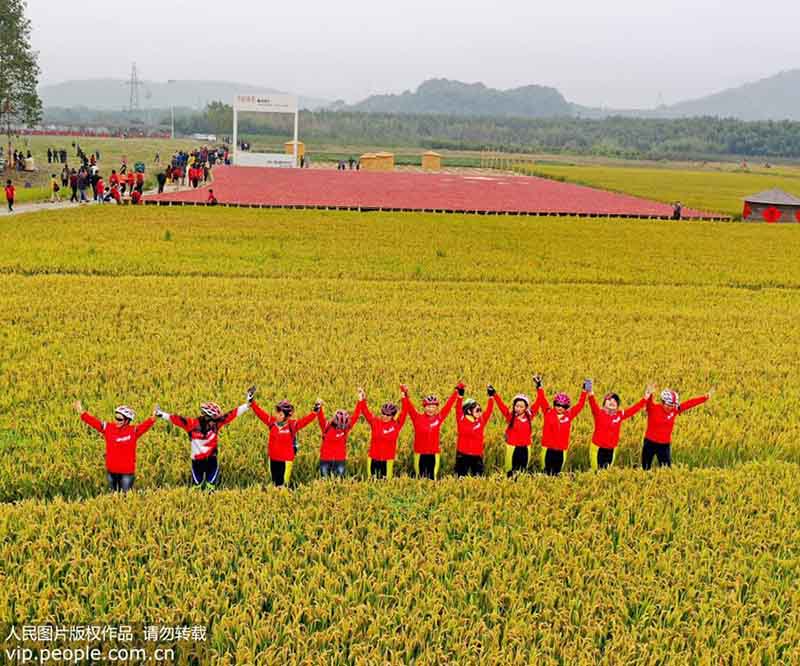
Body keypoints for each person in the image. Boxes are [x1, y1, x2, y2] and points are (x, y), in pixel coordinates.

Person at [155, 386, 255, 488]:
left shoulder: (214, 423)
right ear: (208, 416)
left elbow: (231, 415)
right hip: (197, 463)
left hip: (211, 461)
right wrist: (161, 414)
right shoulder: (193, 424)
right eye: (214, 418)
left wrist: (247, 405)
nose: (217, 420)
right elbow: (176, 419)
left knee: (210, 487)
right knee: (197, 487)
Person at [74, 400, 156, 492]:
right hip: (111, 471)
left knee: (125, 498)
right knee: (113, 496)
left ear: (127, 420)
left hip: (127, 473)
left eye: (120, 419)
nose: (116, 421)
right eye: (116, 418)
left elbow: (146, 425)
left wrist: (153, 417)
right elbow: (94, 422)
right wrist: (81, 411)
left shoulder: (133, 431)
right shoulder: (108, 428)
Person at [250, 397, 317, 486]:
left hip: (285, 460)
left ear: (286, 416)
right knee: (274, 482)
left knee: (283, 484)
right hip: (273, 459)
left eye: (280, 414)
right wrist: (252, 402)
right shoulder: (272, 422)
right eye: (277, 413)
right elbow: (261, 414)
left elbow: (305, 421)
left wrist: (315, 412)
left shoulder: (292, 425)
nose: (277, 416)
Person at [641, 387, 713, 470]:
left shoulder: (674, 410)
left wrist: (704, 398)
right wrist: (649, 393)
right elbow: (648, 400)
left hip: (664, 446)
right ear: (663, 402)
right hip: (650, 443)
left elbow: (689, 404)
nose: (670, 407)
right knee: (645, 468)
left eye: (672, 405)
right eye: (668, 405)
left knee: (666, 470)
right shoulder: (653, 408)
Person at [401, 383, 460, 479]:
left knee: (433, 478)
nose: (431, 409)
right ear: (424, 407)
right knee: (419, 477)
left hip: (434, 453)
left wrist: (456, 392)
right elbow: (409, 407)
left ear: (436, 408)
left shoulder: (439, 418)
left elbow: (448, 406)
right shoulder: (417, 418)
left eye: (433, 407)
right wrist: (405, 394)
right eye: (428, 406)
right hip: (419, 453)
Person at [534, 375, 588, 475]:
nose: (560, 408)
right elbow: (542, 399)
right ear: (554, 405)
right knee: (546, 471)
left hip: (561, 449)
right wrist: (539, 386)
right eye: (557, 405)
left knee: (557, 472)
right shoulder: (548, 412)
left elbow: (580, 405)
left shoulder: (569, 415)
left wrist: (585, 390)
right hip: (548, 448)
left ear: (567, 407)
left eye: (563, 406)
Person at [588, 385, 649, 470]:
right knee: (596, 471)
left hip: (612, 449)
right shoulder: (599, 413)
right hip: (598, 449)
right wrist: (589, 389)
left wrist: (645, 398)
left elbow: (633, 409)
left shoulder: (619, 415)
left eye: (615, 401)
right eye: (609, 400)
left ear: (617, 405)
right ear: (604, 403)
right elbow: (592, 401)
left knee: (607, 472)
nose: (612, 402)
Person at [354, 387, 407, 480]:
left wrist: (404, 396)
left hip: (388, 460)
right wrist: (362, 399)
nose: (385, 416)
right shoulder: (375, 422)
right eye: (383, 413)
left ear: (393, 416)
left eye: (388, 415)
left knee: (387, 481)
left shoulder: (396, 425)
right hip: (373, 458)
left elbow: (404, 411)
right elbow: (365, 411)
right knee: (371, 480)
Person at [492, 388, 540, 476]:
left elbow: (538, 402)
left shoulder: (529, 416)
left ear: (526, 408)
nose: (518, 408)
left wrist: (539, 388)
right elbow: (502, 406)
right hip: (512, 448)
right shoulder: (511, 417)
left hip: (525, 448)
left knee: (522, 470)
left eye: (521, 407)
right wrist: (494, 394)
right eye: (516, 406)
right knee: (509, 470)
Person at [453, 384, 495, 477]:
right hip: (463, 455)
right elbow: (458, 409)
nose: (480, 412)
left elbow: (489, 410)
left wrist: (491, 397)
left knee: (478, 478)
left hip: (477, 456)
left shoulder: (481, 420)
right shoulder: (461, 420)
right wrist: (460, 396)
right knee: (460, 478)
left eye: (480, 410)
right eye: (477, 410)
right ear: (468, 411)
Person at [316, 399, 359, 478]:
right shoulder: (326, 427)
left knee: (339, 481)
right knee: (324, 480)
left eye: (343, 426)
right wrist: (319, 405)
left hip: (340, 460)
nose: (341, 428)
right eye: (339, 426)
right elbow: (320, 417)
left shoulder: (345, 428)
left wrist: (361, 401)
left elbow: (355, 417)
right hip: (325, 459)